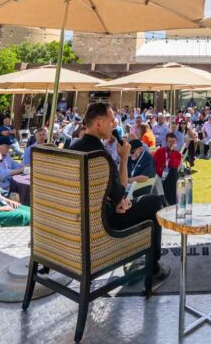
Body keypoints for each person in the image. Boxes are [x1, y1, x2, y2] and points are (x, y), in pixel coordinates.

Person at [70, 103, 169, 285]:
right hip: (103, 227)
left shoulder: (72, 150)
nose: (114, 126)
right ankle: (153, 268)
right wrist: (124, 158)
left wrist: (114, 200)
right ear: (99, 123)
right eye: (111, 121)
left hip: (76, 226)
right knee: (153, 203)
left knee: (130, 202)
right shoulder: (99, 156)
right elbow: (121, 188)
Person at [153, 133, 183, 204]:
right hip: (159, 176)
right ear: (166, 142)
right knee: (157, 178)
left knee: (173, 172)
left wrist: (172, 152)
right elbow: (153, 163)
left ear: (176, 142)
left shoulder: (177, 154)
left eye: (173, 142)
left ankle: (170, 202)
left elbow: (174, 166)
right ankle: (162, 199)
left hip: (170, 177)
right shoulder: (160, 151)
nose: (171, 143)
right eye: (170, 141)